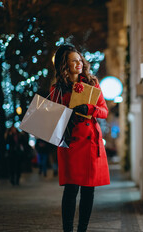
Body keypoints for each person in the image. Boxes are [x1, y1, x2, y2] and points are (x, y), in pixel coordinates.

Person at [50, 44, 110, 232]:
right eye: (73, 60)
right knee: (71, 189)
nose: (79, 63)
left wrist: (89, 109)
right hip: (70, 142)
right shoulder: (57, 89)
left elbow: (104, 111)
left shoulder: (92, 83)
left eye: (80, 60)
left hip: (91, 142)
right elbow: (54, 118)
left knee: (88, 189)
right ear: (64, 65)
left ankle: (82, 229)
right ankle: (67, 230)